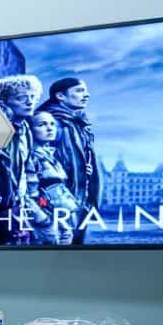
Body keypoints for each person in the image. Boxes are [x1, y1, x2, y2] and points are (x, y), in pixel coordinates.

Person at [35, 76, 99, 244]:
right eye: (79, 91)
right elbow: (39, 157)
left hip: (77, 197)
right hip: (57, 200)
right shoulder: (51, 122)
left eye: (85, 91)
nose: (86, 95)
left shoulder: (77, 123)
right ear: (60, 96)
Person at [0, 74, 42, 245]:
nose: (30, 102)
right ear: (3, 100)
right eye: (22, 98)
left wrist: (26, 198)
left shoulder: (25, 129)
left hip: (14, 203)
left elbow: (26, 168)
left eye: (33, 97)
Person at [24, 111, 80, 245]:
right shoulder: (30, 157)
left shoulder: (51, 156)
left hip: (62, 220)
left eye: (52, 124)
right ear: (30, 130)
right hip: (47, 223)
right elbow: (30, 195)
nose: (49, 128)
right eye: (42, 125)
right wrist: (44, 219)